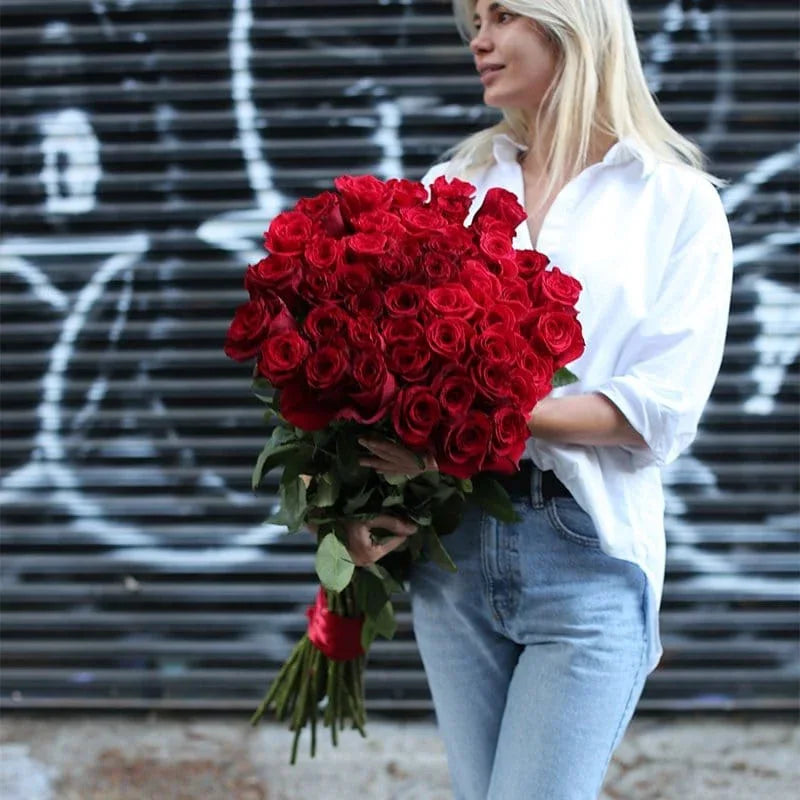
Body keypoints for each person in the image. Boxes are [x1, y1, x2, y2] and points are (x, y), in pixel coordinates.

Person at [344, 0, 733, 797]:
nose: (478, 39)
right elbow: (391, 370)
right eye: (474, 20)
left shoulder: (675, 202)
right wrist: (363, 497)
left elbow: (657, 409)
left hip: (584, 555)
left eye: (501, 15)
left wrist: (471, 420)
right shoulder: (452, 188)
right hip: (453, 557)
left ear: (573, 24)